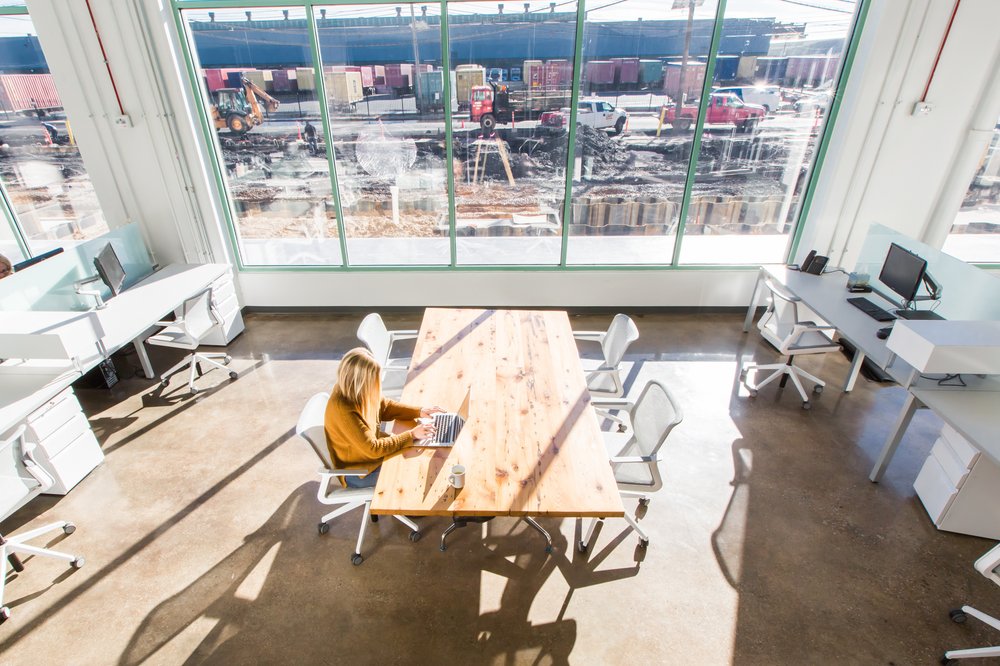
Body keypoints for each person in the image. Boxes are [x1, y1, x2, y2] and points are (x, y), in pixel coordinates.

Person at [324, 347, 443, 488]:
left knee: (424, 451)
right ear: (361, 381)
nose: (377, 383)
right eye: (373, 379)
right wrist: (411, 434)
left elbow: (384, 406)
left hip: (371, 454)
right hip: (361, 471)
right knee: (414, 469)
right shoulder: (343, 410)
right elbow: (373, 449)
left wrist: (419, 411)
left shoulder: (355, 390)